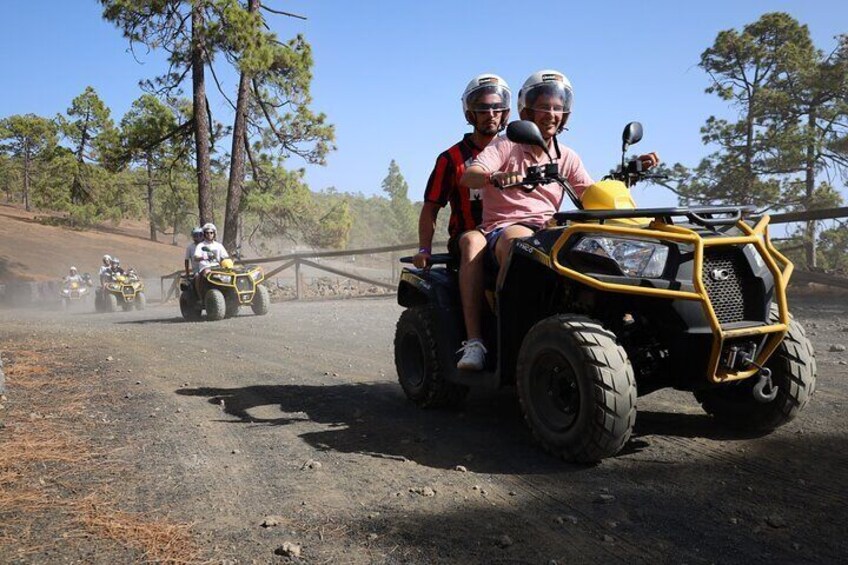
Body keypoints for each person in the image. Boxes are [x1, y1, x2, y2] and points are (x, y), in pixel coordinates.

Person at [460, 69, 659, 370]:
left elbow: (590, 194)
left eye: (557, 107)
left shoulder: (566, 156)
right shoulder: (504, 145)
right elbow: (469, 175)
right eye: (543, 107)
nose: (550, 114)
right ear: (526, 111)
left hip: (550, 230)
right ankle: (497, 335)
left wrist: (628, 174)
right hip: (504, 229)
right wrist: (495, 176)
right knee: (520, 244)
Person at [414, 73, 511, 372]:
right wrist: (424, 248)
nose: (490, 114)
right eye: (483, 108)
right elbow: (431, 207)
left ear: (506, 112)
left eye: (496, 108)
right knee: (473, 240)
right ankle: (474, 342)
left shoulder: (517, 151)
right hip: (469, 236)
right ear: (470, 114)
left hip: (510, 232)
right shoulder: (451, 158)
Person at [193, 223, 229, 297]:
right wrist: (204, 258)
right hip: (206, 267)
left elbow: (225, 257)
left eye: (211, 232)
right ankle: (202, 295)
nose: (209, 234)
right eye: (207, 233)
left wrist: (232, 257)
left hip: (218, 267)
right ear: (204, 234)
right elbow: (195, 257)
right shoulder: (201, 245)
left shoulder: (219, 245)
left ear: (214, 233)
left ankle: (229, 294)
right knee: (206, 272)